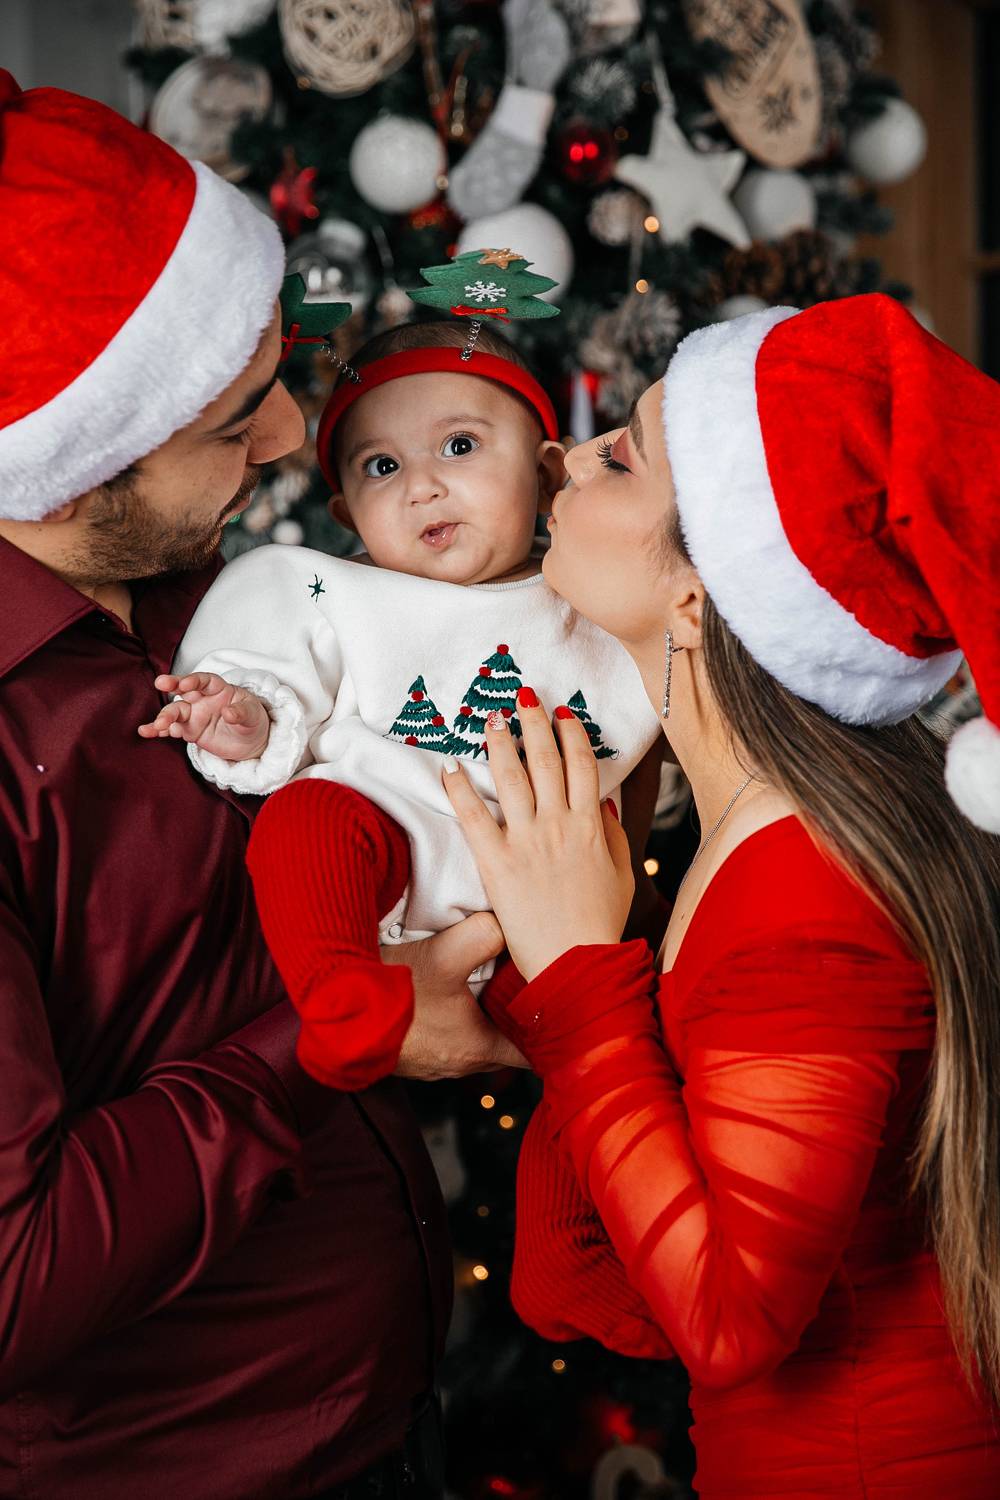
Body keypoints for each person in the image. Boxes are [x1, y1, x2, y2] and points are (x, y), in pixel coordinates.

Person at [0, 72, 522, 1500]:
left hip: (390, 1411)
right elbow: (16, 1277)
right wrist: (342, 1033)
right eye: (233, 421)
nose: (295, 436)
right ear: (65, 470)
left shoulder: (202, 595)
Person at [442, 295, 1000, 1497]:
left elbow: (728, 1319)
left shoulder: (809, 898)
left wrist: (580, 975)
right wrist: (581, 962)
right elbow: (577, 1280)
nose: (566, 455)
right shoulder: (749, 832)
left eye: (623, 456)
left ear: (700, 593)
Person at [140, 309, 665, 1090]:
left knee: (591, 1062)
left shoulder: (590, 587)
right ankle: (341, 994)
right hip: (385, 848)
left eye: (460, 446)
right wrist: (245, 720)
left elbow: (677, 680)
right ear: (348, 516)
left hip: (552, 894)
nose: (422, 487)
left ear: (547, 475)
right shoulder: (333, 591)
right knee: (304, 816)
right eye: (382, 466)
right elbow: (278, 696)